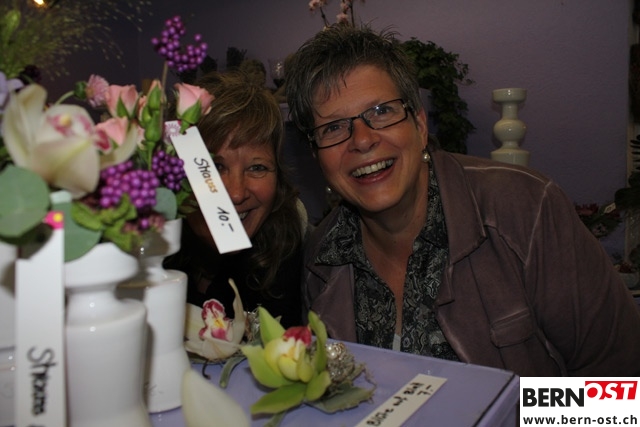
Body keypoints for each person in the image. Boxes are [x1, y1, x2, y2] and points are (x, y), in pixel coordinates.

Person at [285, 24, 640, 376]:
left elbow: (621, 385)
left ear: (420, 126)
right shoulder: (322, 257)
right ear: (317, 156)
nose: (362, 140)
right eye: (333, 127)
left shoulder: (526, 209)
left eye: (381, 111)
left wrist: (506, 407)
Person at [166, 70, 306, 328]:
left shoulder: (295, 262)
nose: (236, 193)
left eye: (257, 168)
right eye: (215, 167)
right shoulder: (147, 252)